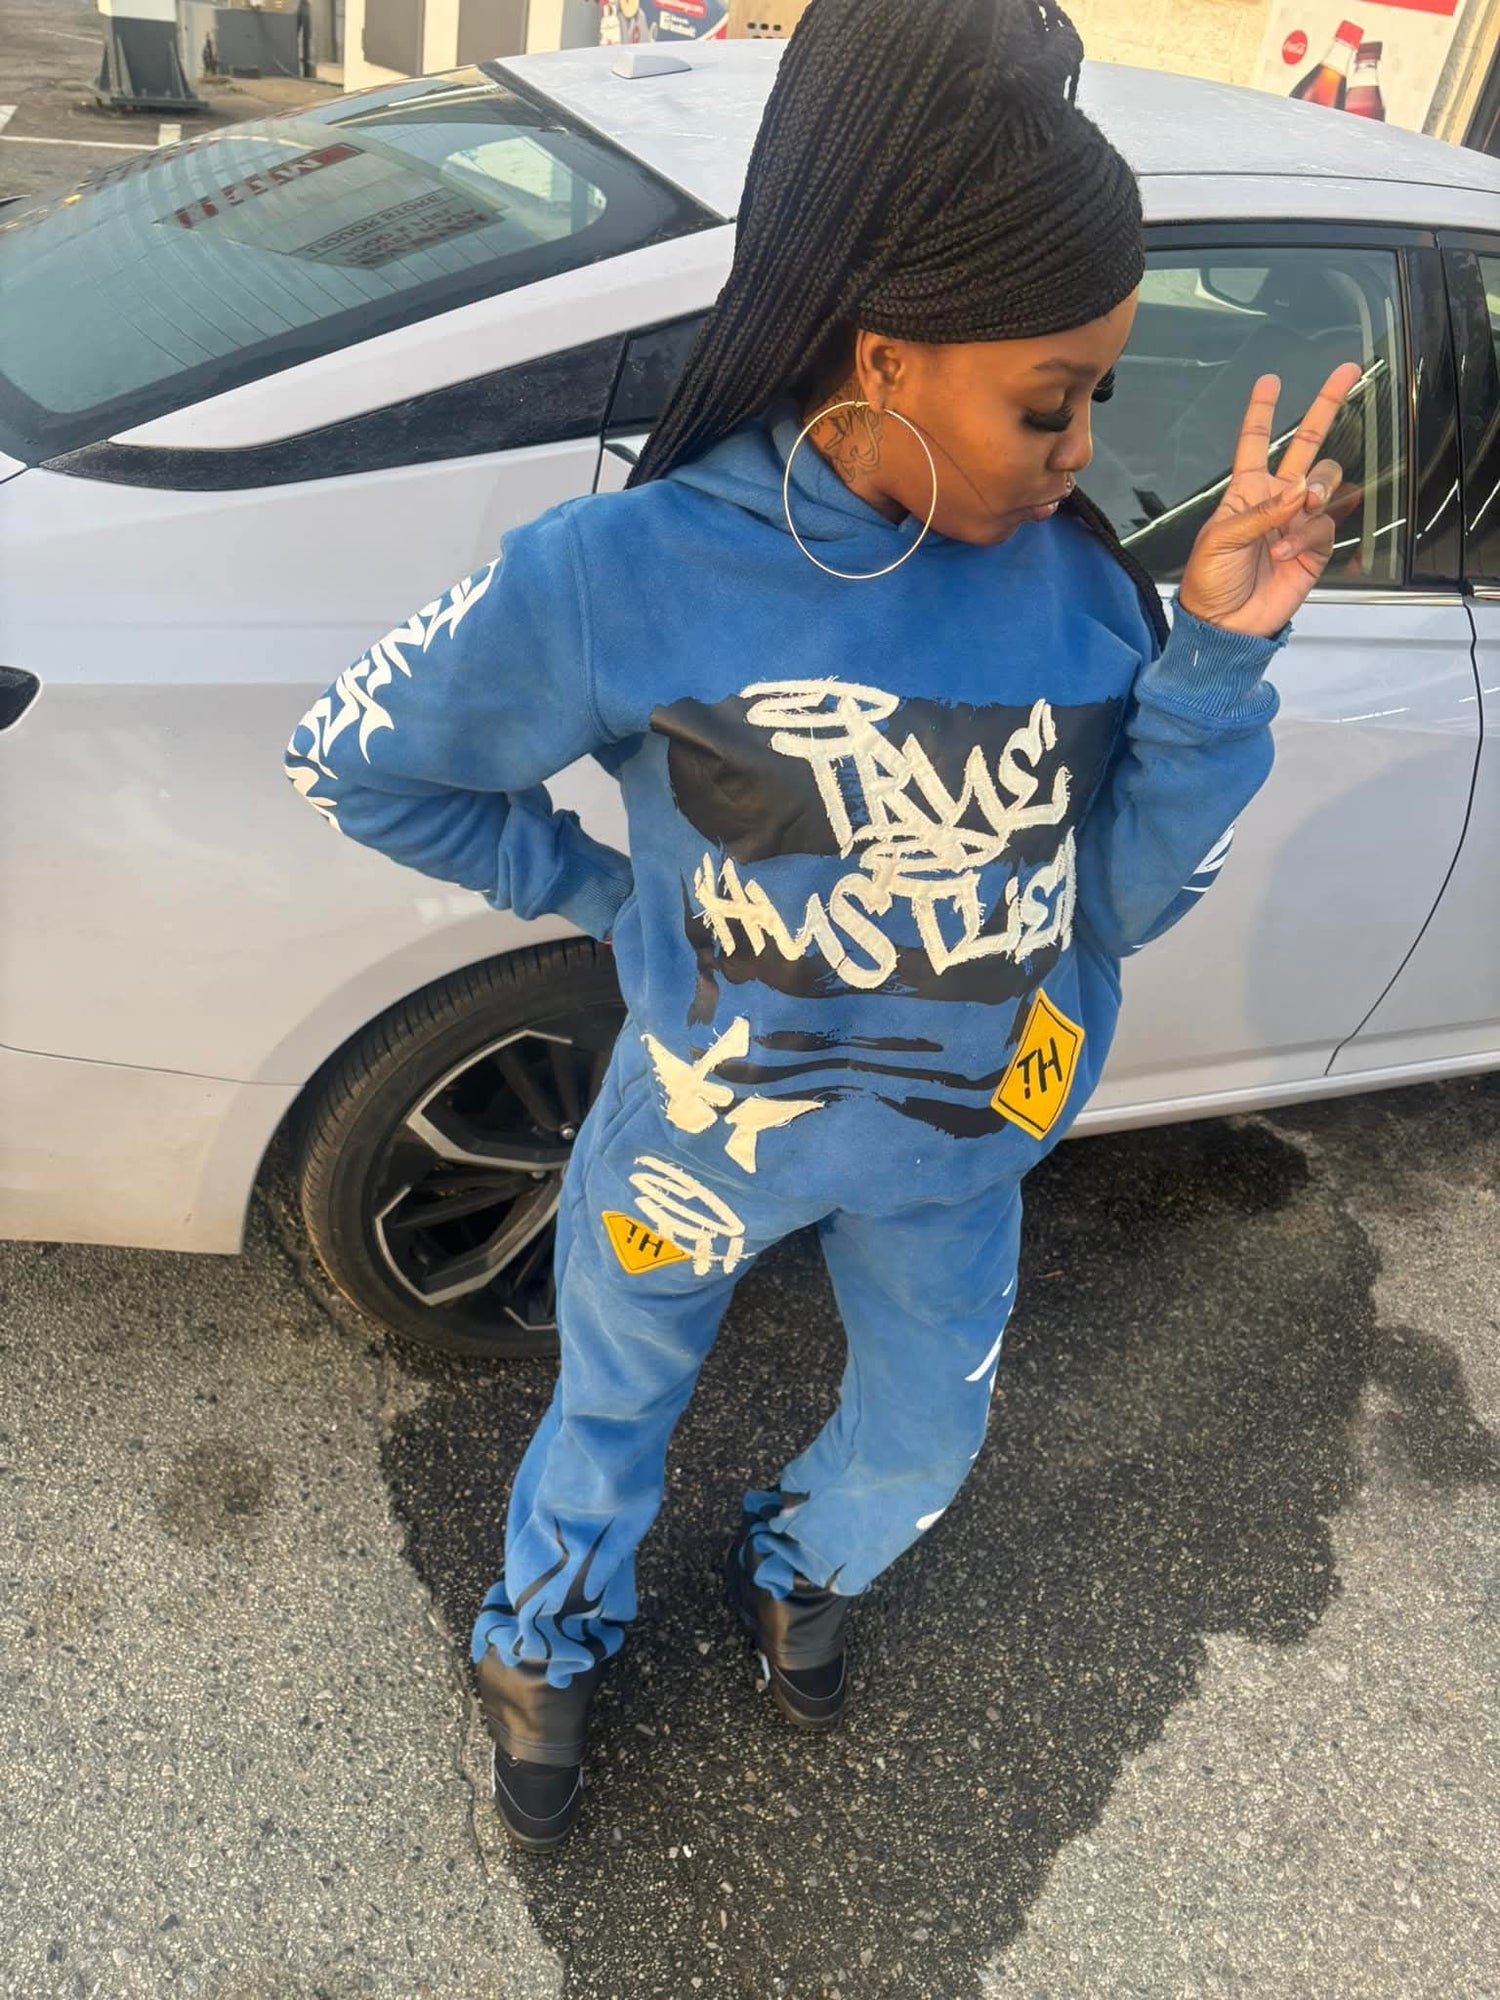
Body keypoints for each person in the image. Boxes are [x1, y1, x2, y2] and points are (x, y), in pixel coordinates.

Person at [285, 0, 1358, 1851]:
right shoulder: (622, 574)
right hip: (697, 1143)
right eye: (1047, 402)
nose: (1077, 451)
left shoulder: (1088, 604)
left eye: (1097, 402)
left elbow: (1116, 905)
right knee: (611, 1408)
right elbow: (360, 764)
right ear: (882, 359)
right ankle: (546, 1640)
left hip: (963, 1149)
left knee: (929, 1430)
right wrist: (611, 901)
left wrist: (1214, 665)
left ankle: (803, 1560)